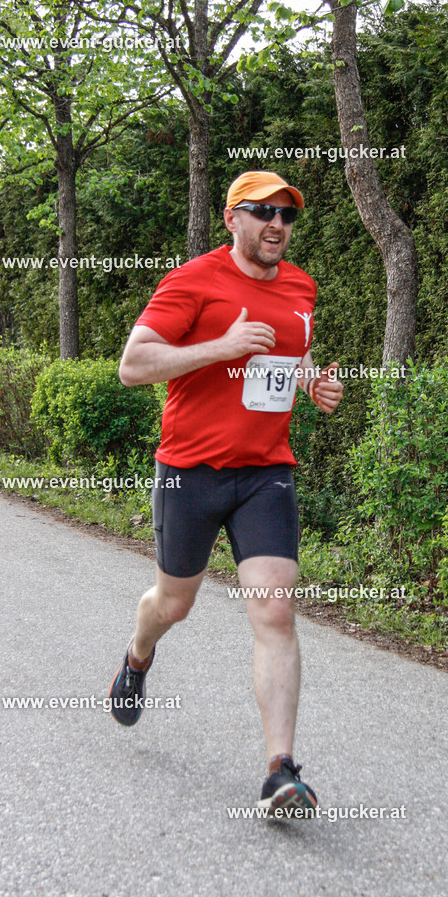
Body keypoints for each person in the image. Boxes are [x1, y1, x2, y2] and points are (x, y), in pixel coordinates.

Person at [108, 170, 344, 816]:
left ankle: (280, 772)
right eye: (262, 212)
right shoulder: (192, 282)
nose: (276, 226)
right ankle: (137, 654)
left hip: (266, 471)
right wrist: (220, 347)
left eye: (286, 216)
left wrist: (310, 386)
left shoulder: (301, 286)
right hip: (190, 471)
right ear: (231, 219)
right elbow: (133, 365)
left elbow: (289, 354)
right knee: (172, 603)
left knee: (274, 611)